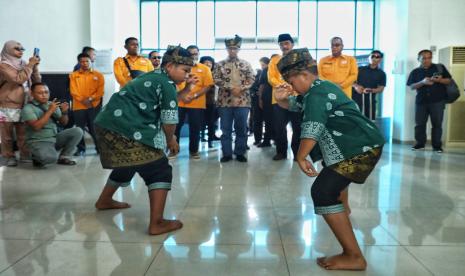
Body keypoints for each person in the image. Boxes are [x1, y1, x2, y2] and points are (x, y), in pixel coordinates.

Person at [275, 48, 384, 271]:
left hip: (358, 148)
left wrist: (301, 155)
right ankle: (342, 208)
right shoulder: (319, 89)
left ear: (304, 76)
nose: (292, 87)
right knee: (333, 179)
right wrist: (282, 101)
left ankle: (354, 256)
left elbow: (313, 125)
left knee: (322, 192)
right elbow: (298, 106)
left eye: (291, 82)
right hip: (357, 146)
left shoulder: (317, 93)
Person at [93, 46, 196, 235]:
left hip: (108, 124)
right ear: (171, 66)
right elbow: (170, 119)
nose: (187, 75)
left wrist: (188, 88)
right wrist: (170, 139)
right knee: (159, 169)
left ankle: (104, 200)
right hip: (124, 128)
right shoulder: (165, 83)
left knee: (130, 162)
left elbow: (168, 100)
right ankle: (157, 223)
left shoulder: (154, 77)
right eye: (185, 71)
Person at [213, 35, 255, 163]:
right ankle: (227, 154)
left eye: (235, 48)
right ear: (227, 49)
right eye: (230, 48)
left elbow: (252, 78)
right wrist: (230, 87)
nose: (232, 51)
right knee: (225, 129)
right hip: (224, 101)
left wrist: (241, 88)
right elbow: (216, 79)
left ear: (239, 49)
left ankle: (240, 152)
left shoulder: (246, 64)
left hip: (243, 101)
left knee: (241, 129)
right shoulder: (219, 64)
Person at [21, 83, 83, 167]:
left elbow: (63, 123)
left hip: (54, 138)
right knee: (50, 159)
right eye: (40, 93)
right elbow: (36, 127)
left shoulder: (51, 104)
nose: (44, 95)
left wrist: (64, 112)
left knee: (77, 131)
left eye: (46, 92)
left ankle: (64, 157)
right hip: (38, 141)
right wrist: (50, 110)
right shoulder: (28, 108)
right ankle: (36, 156)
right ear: (32, 94)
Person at [0, 40, 41, 166]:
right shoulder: (3, 65)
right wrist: (30, 64)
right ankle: (8, 156)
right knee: (6, 134)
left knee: (23, 132)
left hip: (25, 103)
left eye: (22, 48)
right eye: (17, 48)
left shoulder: (25, 64)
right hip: (8, 104)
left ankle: (25, 154)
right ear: (7, 50)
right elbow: (18, 79)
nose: (21, 51)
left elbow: (37, 80)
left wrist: (35, 66)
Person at [173, 45, 214, 159]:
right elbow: (174, 82)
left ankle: (194, 151)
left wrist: (194, 95)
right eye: (191, 54)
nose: (193, 56)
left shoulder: (204, 69)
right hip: (180, 102)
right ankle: (173, 150)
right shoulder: (179, 67)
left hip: (197, 103)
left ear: (198, 54)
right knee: (175, 127)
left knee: (195, 128)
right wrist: (182, 96)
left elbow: (207, 86)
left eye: (195, 54)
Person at [407, 49, 451, 153]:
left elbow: (449, 80)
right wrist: (422, 82)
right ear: (419, 59)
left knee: (437, 124)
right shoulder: (415, 72)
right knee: (419, 124)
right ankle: (420, 144)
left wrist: (439, 80)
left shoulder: (439, 68)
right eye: (424, 58)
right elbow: (412, 86)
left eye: (429, 58)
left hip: (437, 101)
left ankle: (437, 146)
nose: (426, 60)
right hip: (421, 102)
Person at [268, 33, 302, 161]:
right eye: (281, 44)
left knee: (297, 126)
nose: (284, 46)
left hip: (296, 97)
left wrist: (292, 87)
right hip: (279, 98)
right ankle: (281, 152)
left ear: (292, 44)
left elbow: (304, 76)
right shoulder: (275, 60)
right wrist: (283, 86)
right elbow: (271, 77)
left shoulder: (300, 59)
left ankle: (298, 153)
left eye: (286, 43)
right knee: (279, 126)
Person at [69, 53, 104, 156]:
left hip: (94, 105)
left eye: (86, 61)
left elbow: (100, 92)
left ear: (91, 62)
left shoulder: (98, 75)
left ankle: (99, 148)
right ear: (79, 63)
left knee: (95, 128)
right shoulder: (73, 75)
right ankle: (81, 149)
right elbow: (73, 91)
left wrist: (90, 99)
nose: (84, 63)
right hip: (79, 106)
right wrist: (83, 100)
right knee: (79, 129)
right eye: (82, 61)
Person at [352, 50, 386, 120]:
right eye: (372, 56)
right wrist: (356, 87)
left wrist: (371, 90)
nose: (374, 58)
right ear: (369, 58)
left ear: (380, 59)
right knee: (356, 120)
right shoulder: (359, 69)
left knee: (370, 122)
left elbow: (381, 89)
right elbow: (351, 82)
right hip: (356, 100)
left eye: (377, 57)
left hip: (370, 102)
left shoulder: (382, 74)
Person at [199, 56, 220, 147]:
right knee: (200, 122)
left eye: (210, 63)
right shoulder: (198, 74)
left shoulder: (215, 75)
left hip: (212, 102)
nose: (208, 64)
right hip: (199, 102)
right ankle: (202, 137)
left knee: (212, 122)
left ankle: (210, 140)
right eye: (206, 62)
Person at [252, 57, 270, 146]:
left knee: (267, 120)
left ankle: (267, 139)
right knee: (257, 120)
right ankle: (258, 139)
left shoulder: (269, 72)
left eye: (264, 65)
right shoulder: (259, 73)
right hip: (257, 99)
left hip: (266, 99)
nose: (262, 67)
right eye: (261, 65)